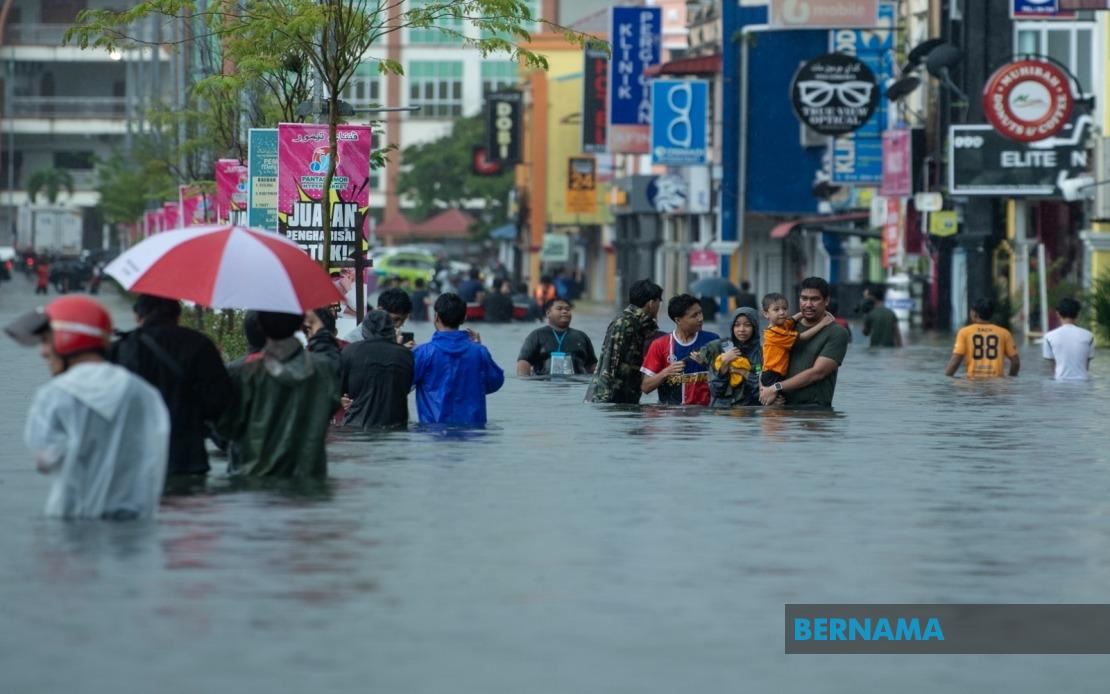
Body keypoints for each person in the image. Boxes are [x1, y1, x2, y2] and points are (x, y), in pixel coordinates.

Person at [5, 296, 170, 519]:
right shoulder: (143, 393)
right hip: (135, 524)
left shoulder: (52, 396)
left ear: (67, 336)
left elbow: (45, 459)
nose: (43, 351)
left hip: (73, 521)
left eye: (45, 340)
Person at [109, 294, 233, 477]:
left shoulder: (120, 349)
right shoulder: (200, 344)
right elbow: (220, 400)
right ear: (178, 315)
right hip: (187, 456)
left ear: (138, 316)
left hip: (135, 456)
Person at [219, 311, 340, 478]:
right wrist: (319, 330)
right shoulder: (323, 369)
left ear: (259, 326)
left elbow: (224, 428)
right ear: (300, 325)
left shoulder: (240, 372)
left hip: (250, 483)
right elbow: (332, 404)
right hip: (308, 481)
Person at [412, 293, 504, 425]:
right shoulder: (479, 352)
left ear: (436, 316)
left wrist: (400, 353)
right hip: (473, 436)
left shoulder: (423, 353)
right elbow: (495, 383)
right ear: (464, 318)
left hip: (433, 434)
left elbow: (400, 384)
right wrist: (479, 348)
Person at [759, 277, 851, 407]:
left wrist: (776, 387)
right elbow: (763, 363)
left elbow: (817, 373)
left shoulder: (837, 333)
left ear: (826, 301)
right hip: (780, 408)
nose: (808, 304)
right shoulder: (784, 327)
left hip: (813, 411)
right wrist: (763, 389)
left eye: (814, 299)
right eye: (804, 298)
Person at [585, 279, 663, 404]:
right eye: (659, 303)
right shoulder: (627, 323)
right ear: (651, 303)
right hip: (612, 397)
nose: (658, 307)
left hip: (617, 396)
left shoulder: (633, 321)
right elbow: (613, 363)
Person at [340, 309, 414, 429]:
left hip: (357, 427)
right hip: (396, 428)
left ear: (365, 329)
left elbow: (340, 390)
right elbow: (405, 388)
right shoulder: (406, 355)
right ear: (391, 329)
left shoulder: (350, 351)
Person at [640, 294, 719, 405]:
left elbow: (727, 378)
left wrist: (708, 364)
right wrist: (666, 372)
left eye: (700, 313)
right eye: (694, 315)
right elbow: (645, 387)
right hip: (671, 416)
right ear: (678, 320)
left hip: (704, 416)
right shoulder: (660, 345)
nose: (700, 318)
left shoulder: (713, 341)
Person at [759, 291, 835, 390]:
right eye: (776, 310)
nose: (782, 312)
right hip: (772, 374)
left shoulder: (781, 325)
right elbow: (801, 337)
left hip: (777, 373)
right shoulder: (774, 333)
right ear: (766, 314)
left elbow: (792, 320)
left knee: (779, 401)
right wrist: (822, 323)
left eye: (784, 308)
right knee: (774, 401)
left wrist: (804, 312)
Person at [696, 307, 763, 407]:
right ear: (732, 327)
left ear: (755, 327)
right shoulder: (720, 348)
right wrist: (724, 362)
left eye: (747, 325)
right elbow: (715, 391)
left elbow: (761, 389)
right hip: (723, 411)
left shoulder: (762, 353)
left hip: (750, 410)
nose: (742, 329)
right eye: (737, 325)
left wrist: (742, 372)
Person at [517, 298, 598, 376]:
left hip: (576, 383)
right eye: (559, 309)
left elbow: (592, 365)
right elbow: (524, 361)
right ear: (548, 313)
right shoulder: (536, 335)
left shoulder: (581, 336)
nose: (564, 311)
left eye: (567, 309)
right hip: (544, 383)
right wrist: (525, 379)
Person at [945, 297, 1020, 379]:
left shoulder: (964, 332)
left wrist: (946, 380)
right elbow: (1015, 362)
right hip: (997, 385)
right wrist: (1011, 379)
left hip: (972, 384)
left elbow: (955, 361)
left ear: (974, 313)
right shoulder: (1004, 333)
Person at [1042, 297, 1095, 381]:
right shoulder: (1089, 336)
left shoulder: (1048, 337)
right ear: (1078, 314)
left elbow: (1053, 367)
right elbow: (1086, 366)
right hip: (1083, 384)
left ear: (1058, 314)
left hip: (1059, 383)